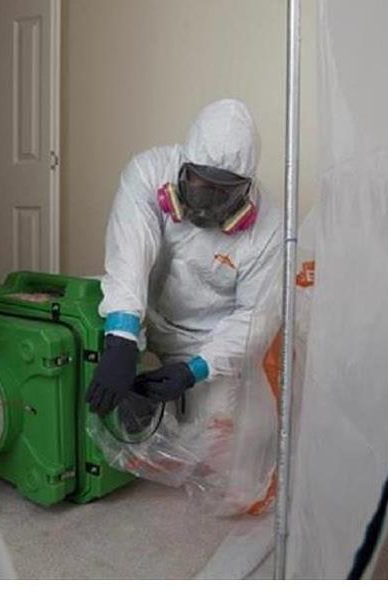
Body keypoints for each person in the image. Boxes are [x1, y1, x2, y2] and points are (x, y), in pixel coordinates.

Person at [86, 99, 282, 457]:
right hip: (143, 317)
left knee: (216, 447)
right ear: (182, 169)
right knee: (107, 401)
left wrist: (194, 371)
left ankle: (186, 402)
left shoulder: (270, 225)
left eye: (224, 193)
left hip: (209, 339)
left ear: (246, 189)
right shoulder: (147, 172)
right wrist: (121, 338)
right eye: (201, 186)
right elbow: (128, 255)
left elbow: (256, 317)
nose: (208, 205)